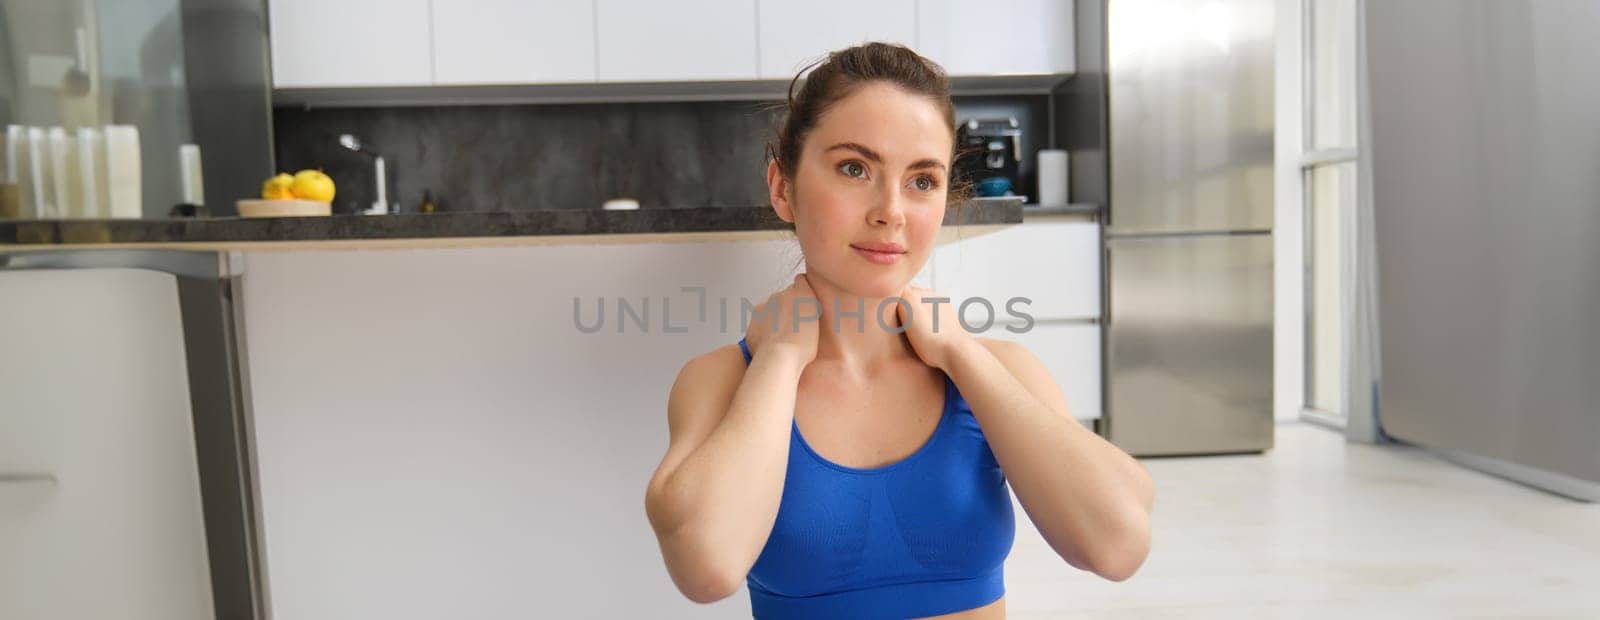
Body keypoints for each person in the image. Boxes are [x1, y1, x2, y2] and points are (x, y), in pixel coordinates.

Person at [644, 42, 1154, 619]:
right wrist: (781, 358)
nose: (891, 211)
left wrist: (962, 353)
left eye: (921, 180)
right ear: (782, 187)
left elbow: (1119, 545)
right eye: (854, 168)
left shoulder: (999, 371)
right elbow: (705, 566)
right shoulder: (723, 381)